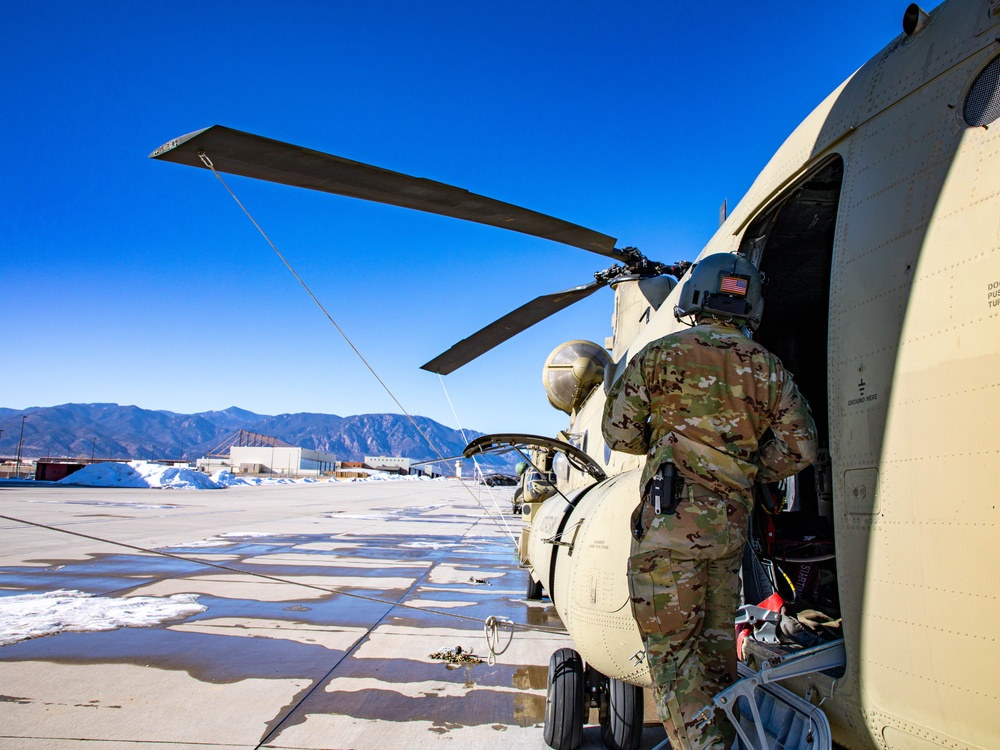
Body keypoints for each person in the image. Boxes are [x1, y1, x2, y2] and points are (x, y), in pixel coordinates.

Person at [601, 253, 818, 750]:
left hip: (668, 540)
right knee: (718, 664)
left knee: (675, 664)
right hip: (726, 541)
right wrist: (748, 470)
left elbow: (619, 432)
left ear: (695, 295)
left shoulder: (659, 355)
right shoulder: (766, 366)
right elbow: (803, 446)